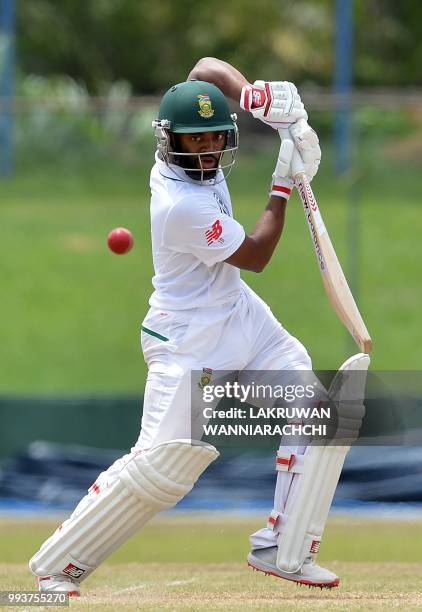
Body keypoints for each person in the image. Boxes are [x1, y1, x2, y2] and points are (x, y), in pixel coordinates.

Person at [29, 57, 359, 595]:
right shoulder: (179, 205)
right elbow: (254, 255)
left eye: (214, 139)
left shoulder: (197, 154)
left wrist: (252, 97)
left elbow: (206, 68)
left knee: (319, 414)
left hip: (243, 319)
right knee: (162, 467)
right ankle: (57, 565)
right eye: (194, 143)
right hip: (187, 340)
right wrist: (282, 182)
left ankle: (285, 549)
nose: (206, 152)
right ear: (169, 142)